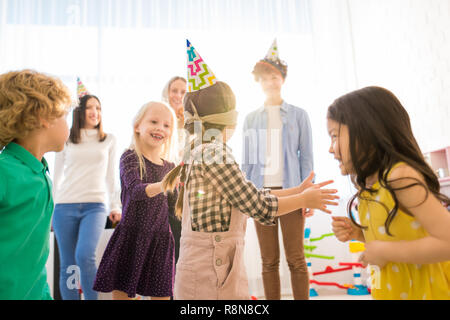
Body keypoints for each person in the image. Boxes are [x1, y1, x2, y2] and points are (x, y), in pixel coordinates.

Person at [162, 40, 338, 300]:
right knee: (270, 260)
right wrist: (303, 198)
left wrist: (298, 190)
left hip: (212, 271)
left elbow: (247, 192)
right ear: (228, 118)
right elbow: (258, 204)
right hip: (210, 276)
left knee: (295, 257)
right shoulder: (215, 154)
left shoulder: (205, 151)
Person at [328, 86, 450, 300]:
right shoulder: (368, 187)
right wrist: (358, 233)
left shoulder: (400, 177)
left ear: (367, 132)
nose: (331, 148)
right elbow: (394, 235)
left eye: (335, 136)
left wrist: (385, 252)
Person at [242, 39, 314, 300]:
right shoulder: (250, 118)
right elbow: (247, 162)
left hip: (294, 192)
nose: (270, 82)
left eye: (274, 76)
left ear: (282, 78)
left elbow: (306, 157)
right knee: (269, 260)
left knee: (296, 258)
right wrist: (246, 199)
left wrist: (308, 193)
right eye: (265, 78)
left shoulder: (299, 115)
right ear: (258, 82)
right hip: (261, 195)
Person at [93, 101, 178, 300]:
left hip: (161, 241)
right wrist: (164, 184)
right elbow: (135, 190)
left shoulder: (170, 167)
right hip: (132, 239)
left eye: (166, 125)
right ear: (137, 126)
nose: (160, 128)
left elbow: (174, 207)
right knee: (123, 295)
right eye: (154, 121)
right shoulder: (129, 157)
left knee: (162, 295)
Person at [0, 69, 71, 299]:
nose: (68, 123)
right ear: (44, 115)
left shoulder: (42, 173)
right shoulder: (5, 171)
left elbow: (34, 261)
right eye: (65, 115)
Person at [52, 78, 122, 300]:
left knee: (85, 255)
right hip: (64, 206)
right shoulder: (67, 139)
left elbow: (112, 177)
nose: (95, 112)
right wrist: (50, 208)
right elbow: (57, 176)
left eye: (98, 108)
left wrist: (116, 205)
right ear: (79, 112)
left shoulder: (108, 140)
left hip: (95, 206)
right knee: (68, 264)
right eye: (90, 107)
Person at [162, 76, 187, 266]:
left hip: (185, 192)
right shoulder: (160, 120)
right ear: (167, 92)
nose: (178, 96)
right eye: (174, 91)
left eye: (183, 92)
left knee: (182, 246)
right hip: (163, 189)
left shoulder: (193, 123)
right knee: (165, 247)